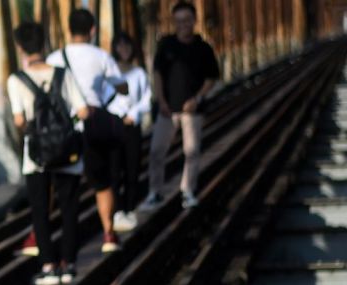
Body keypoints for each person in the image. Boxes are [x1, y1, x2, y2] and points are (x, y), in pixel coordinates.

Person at [7, 21, 89, 285]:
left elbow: (19, 120)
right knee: (69, 208)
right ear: (44, 44)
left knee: (40, 210)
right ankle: (68, 264)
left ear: (21, 47)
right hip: (67, 150)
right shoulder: (63, 74)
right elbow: (83, 110)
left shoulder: (16, 80)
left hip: (37, 155)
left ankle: (48, 265)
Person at [47, 8, 128, 253]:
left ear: (69, 29)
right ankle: (108, 233)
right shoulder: (101, 56)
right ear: (92, 30)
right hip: (93, 127)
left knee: (64, 186)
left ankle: (49, 238)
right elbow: (122, 87)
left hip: (65, 130)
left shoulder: (54, 58)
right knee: (102, 183)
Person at [142, 1, 221, 211]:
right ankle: (154, 192)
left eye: (187, 20)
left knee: (192, 151)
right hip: (167, 110)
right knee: (156, 151)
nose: (183, 25)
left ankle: (187, 190)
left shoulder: (203, 48)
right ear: (174, 22)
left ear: (194, 21)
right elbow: (157, 74)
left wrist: (197, 98)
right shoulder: (166, 45)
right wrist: (161, 100)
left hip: (192, 110)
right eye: (178, 21)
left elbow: (212, 77)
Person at [107, 32, 152, 233]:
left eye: (127, 46)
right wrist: (117, 115)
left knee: (132, 167)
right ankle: (117, 211)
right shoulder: (109, 73)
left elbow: (147, 98)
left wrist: (133, 113)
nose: (123, 50)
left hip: (133, 125)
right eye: (119, 46)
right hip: (114, 126)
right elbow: (104, 98)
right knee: (114, 169)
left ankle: (130, 206)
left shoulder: (139, 73)